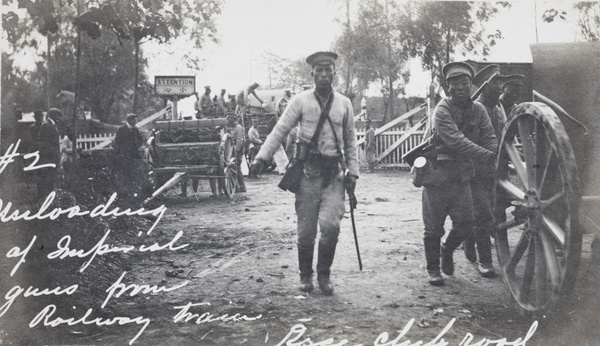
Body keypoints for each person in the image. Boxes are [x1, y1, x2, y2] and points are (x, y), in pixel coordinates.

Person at [251, 51, 359, 295]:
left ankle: (324, 274)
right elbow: (280, 129)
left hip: (335, 175)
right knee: (306, 231)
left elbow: (351, 141)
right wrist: (262, 156)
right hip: (308, 174)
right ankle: (305, 275)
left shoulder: (344, 104)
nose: (323, 74)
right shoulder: (300, 101)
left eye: (328, 69)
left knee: (331, 226)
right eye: (318, 70)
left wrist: (354, 172)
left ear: (334, 72)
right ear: (311, 73)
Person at [420, 61, 497, 286]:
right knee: (433, 227)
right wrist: (486, 156)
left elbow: (489, 135)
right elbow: (456, 141)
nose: (461, 88)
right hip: (436, 176)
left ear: (471, 86)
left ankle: (448, 248)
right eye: (455, 84)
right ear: (448, 88)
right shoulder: (442, 110)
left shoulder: (479, 110)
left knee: (466, 222)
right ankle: (434, 270)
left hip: (461, 176)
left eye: (464, 83)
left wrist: (495, 151)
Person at [462, 64, 507, 278]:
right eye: (496, 83)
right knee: (483, 214)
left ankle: (470, 244)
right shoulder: (474, 109)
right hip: (475, 170)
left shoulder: (499, 109)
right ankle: (485, 261)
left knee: (488, 213)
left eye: (500, 82)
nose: (501, 86)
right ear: (484, 86)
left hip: (496, 170)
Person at [36, 109, 61, 200]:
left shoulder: (51, 125)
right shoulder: (47, 125)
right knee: (46, 179)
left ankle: (47, 198)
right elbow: (45, 142)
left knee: (50, 179)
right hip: (48, 158)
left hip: (51, 157)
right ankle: (44, 199)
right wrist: (53, 152)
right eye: (58, 116)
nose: (59, 118)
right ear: (53, 115)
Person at [228, 115, 246, 193]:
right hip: (233, 150)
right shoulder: (234, 128)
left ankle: (242, 187)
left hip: (237, 151)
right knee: (234, 169)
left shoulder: (238, 128)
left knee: (237, 169)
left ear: (234, 119)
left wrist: (236, 151)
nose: (228, 121)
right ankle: (237, 186)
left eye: (229, 119)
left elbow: (239, 140)